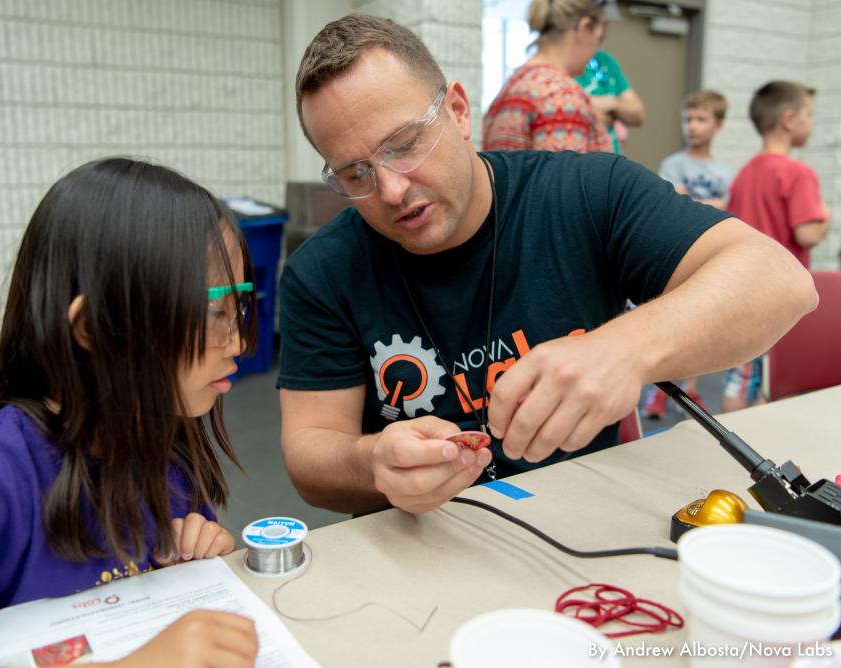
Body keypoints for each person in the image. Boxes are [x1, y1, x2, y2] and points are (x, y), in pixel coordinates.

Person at [277, 13, 817, 516]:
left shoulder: (585, 192)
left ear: (459, 112)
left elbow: (780, 280)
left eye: (405, 144)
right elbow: (309, 451)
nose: (392, 190)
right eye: (355, 175)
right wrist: (371, 462)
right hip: (425, 540)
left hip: (588, 515)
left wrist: (625, 350)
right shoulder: (321, 272)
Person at [0, 159, 260, 666]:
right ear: (94, 329)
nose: (238, 340)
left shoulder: (164, 449)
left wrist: (191, 557)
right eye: (213, 310)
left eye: (239, 305)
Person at [721, 81, 832, 412]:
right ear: (788, 119)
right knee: (773, 378)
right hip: (780, 294)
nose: (812, 122)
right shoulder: (799, 173)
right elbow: (808, 234)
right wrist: (826, 216)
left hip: (745, 288)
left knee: (741, 375)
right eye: (809, 114)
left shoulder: (746, 172)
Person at [642, 89, 734, 418]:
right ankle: (658, 391)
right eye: (688, 119)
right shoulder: (673, 164)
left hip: (708, 253)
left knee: (701, 320)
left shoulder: (724, 170)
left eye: (701, 119)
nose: (692, 126)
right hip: (679, 249)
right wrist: (714, 205)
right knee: (669, 319)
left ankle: (690, 388)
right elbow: (677, 203)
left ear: (718, 125)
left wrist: (706, 205)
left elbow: (729, 208)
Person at [482, 0, 612, 153]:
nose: (595, 52)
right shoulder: (562, 95)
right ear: (583, 28)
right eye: (599, 39)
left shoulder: (515, 85)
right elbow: (564, 175)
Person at [576, 48, 646, 154]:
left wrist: (612, 103)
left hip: (609, 159)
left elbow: (638, 113)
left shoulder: (603, 60)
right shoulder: (555, 65)